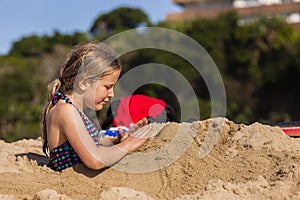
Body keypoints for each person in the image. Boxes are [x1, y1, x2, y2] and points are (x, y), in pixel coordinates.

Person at [41, 41, 152, 172]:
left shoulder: (74, 110)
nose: (112, 94)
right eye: (108, 87)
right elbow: (94, 160)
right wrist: (129, 144)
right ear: (83, 83)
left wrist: (118, 139)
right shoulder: (65, 110)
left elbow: (92, 143)